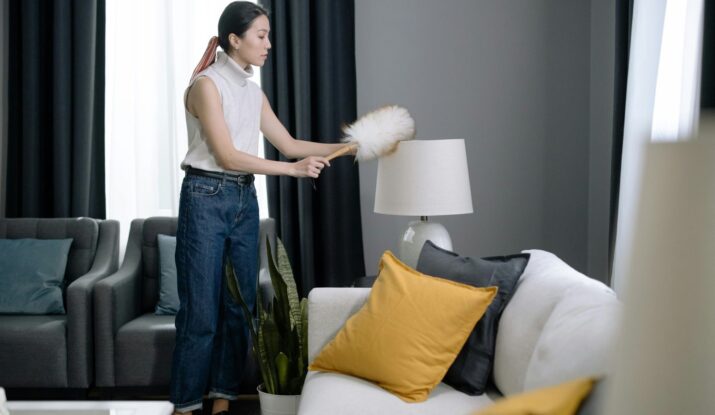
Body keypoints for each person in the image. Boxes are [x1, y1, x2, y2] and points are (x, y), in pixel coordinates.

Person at [170, 2, 352, 414]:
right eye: (261, 35)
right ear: (235, 40)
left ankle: (221, 402)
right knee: (200, 314)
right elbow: (228, 156)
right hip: (206, 197)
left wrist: (349, 147)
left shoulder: (253, 91)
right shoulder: (206, 85)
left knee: (239, 309)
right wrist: (292, 172)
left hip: (243, 200)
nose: (269, 44)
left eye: (268, 35)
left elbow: (289, 144)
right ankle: (183, 406)